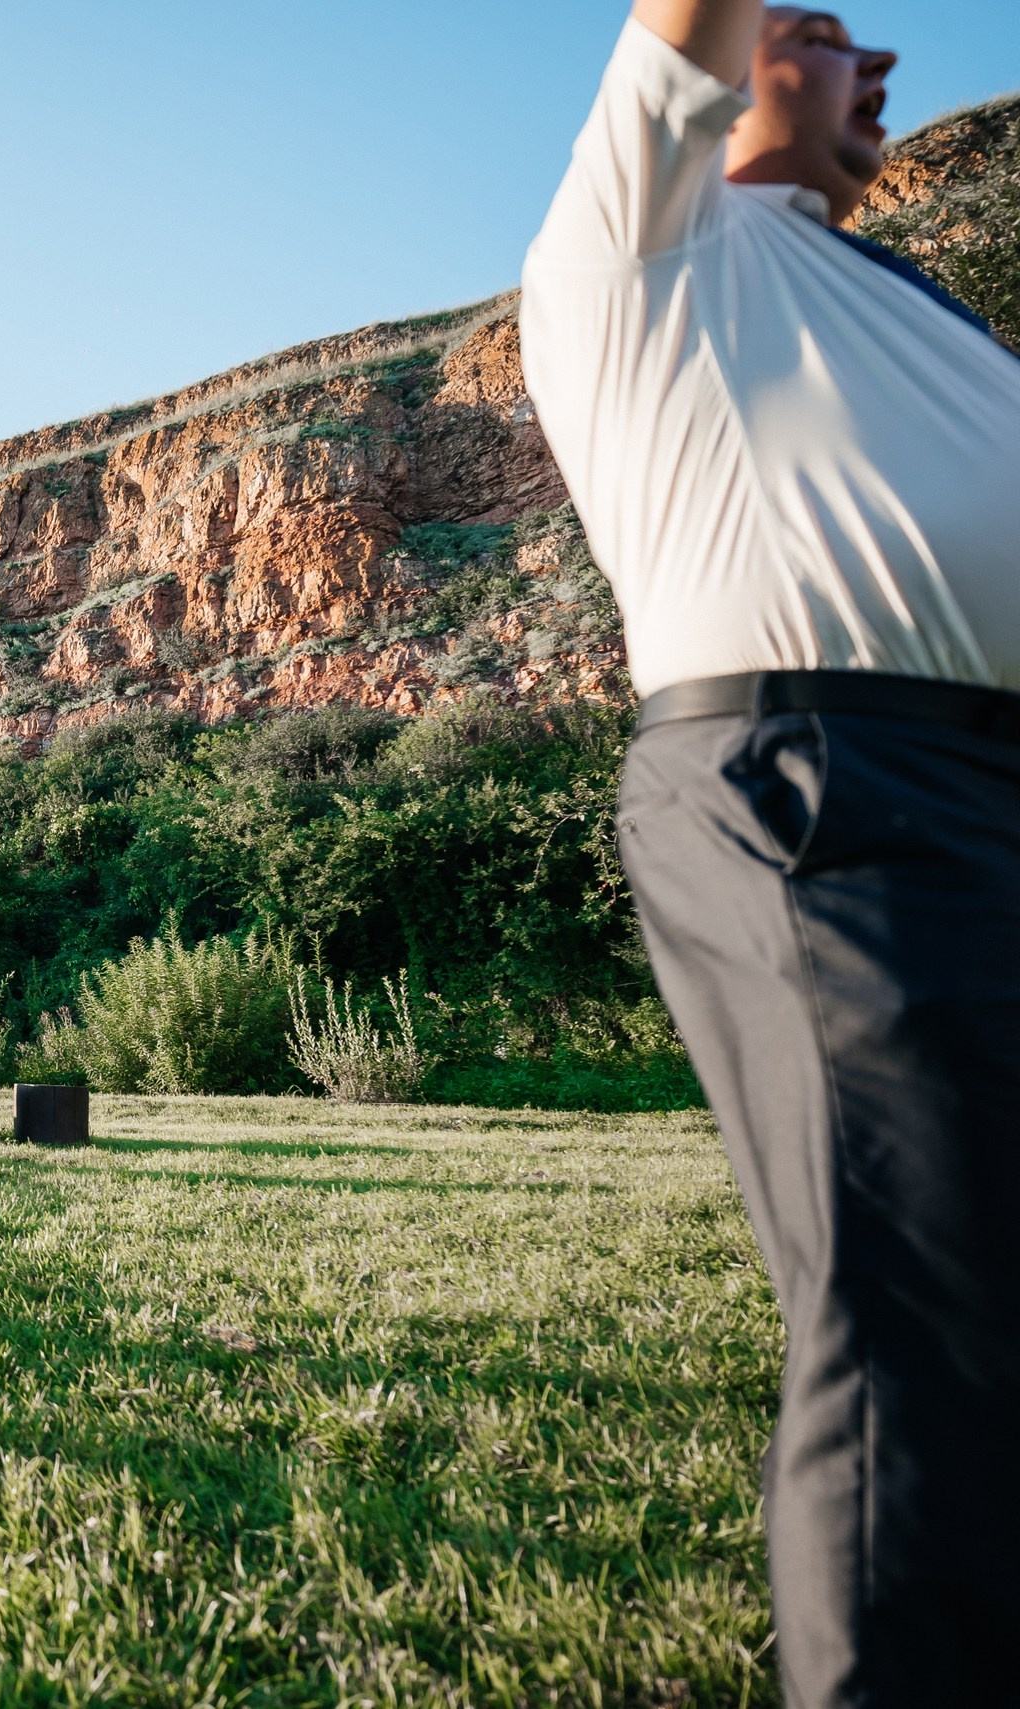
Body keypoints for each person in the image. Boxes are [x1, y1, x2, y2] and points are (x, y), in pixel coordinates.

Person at [521, 4, 1020, 1701]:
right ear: (724, 75)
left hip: (986, 783)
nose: (876, 62)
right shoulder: (641, 241)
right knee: (924, 1325)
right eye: (817, 31)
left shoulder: (902, 301)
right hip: (830, 784)